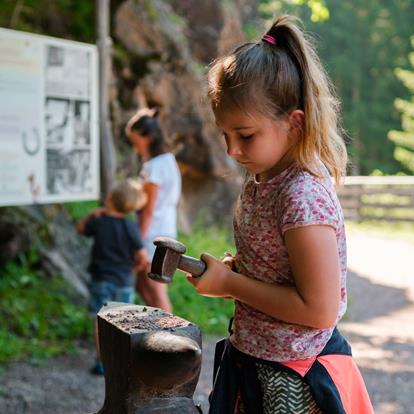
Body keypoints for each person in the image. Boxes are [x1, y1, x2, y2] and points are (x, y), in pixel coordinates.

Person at [187, 15, 373, 414]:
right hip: (256, 360)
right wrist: (240, 271)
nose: (231, 150)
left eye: (245, 135)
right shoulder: (263, 179)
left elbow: (318, 309)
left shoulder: (301, 194)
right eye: (225, 134)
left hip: (295, 378)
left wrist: (233, 285)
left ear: (294, 124)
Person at [77, 179, 147, 375]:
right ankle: (124, 361)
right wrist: (133, 268)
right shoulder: (131, 226)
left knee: (101, 323)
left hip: (101, 280)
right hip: (124, 281)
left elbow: (80, 229)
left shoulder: (99, 222)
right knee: (124, 321)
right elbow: (142, 256)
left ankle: (102, 363)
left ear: (109, 198)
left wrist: (92, 213)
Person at [126, 108, 181, 312]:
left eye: (135, 140)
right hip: (165, 228)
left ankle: (172, 337)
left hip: (153, 234)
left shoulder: (155, 166)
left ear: (147, 137)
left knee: (156, 290)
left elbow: (148, 210)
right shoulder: (168, 160)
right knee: (143, 285)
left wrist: (137, 242)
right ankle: (159, 332)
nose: (134, 146)